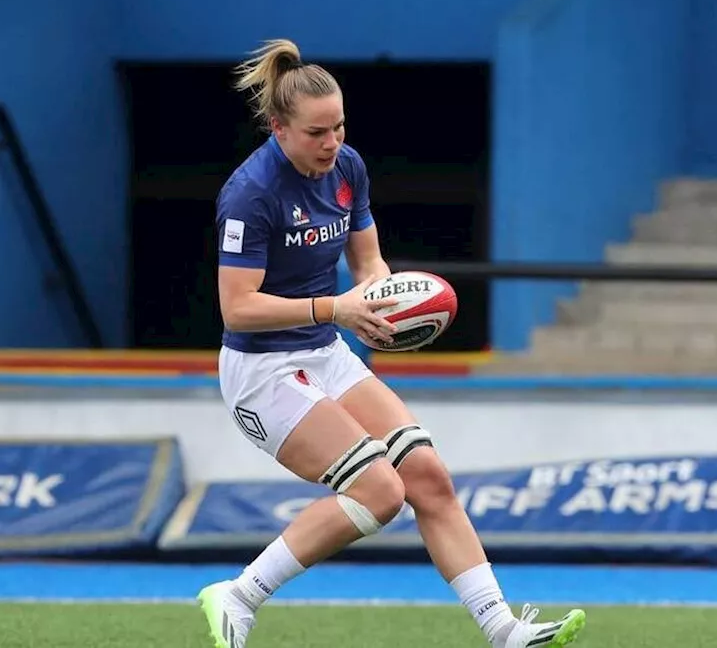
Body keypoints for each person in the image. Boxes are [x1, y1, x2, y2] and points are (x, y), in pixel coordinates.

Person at [194, 39, 587, 648]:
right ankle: (238, 595)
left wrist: (388, 304)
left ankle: (504, 630)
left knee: (427, 475)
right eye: (317, 132)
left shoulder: (347, 168)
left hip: (325, 352)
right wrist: (338, 307)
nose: (332, 142)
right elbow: (237, 308)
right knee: (378, 491)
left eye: (340, 126)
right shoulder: (250, 194)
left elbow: (370, 263)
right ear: (278, 129)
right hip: (262, 372)